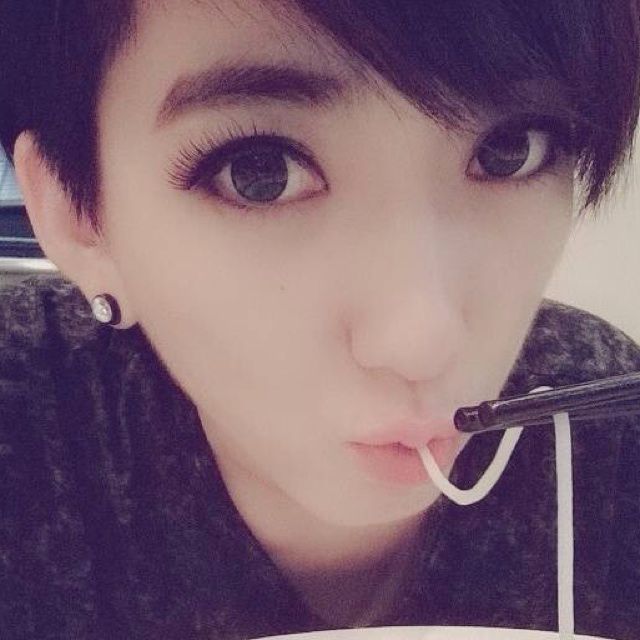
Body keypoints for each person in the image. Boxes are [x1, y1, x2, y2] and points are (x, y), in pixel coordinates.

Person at [0, 0, 639, 638]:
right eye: (260, 173)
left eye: (509, 151)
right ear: (76, 217)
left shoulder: (607, 432)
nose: (421, 342)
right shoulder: (24, 420)